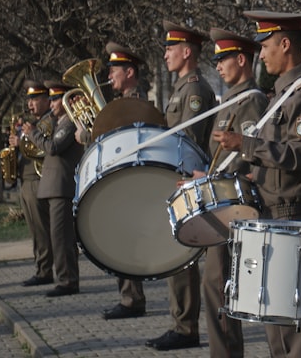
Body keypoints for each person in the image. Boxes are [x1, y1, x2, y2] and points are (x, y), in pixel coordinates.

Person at [213, 10, 301, 358]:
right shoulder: (281, 94)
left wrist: (245, 145)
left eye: (265, 46)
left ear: (285, 44)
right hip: (271, 212)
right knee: (275, 326)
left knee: (291, 328)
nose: (261, 54)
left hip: (290, 213)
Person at [146, 22, 216, 351]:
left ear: (187, 52)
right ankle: (180, 321)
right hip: (177, 178)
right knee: (175, 255)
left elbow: (188, 139)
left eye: (170, 49)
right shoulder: (180, 89)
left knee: (182, 255)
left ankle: (186, 327)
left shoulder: (195, 91)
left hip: (187, 178)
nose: (165, 54)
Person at [201, 28, 268, 358]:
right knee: (214, 288)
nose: (218, 66)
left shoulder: (251, 100)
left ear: (242, 60)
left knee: (218, 286)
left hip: (233, 205)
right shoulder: (232, 98)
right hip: (221, 198)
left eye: (222, 59)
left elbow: (251, 154)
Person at [98, 42, 151, 320]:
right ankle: (128, 296)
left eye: (114, 70)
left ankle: (132, 299)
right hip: (121, 179)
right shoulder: (122, 102)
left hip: (131, 180)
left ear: (130, 72)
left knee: (126, 240)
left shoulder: (136, 102)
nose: (110, 76)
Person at [25, 81, 85, 297]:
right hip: (52, 186)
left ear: (65, 100)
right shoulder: (58, 121)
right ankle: (64, 278)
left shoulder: (69, 122)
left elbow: (53, 147)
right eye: (49, 99)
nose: (50, 104)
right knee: (56, 236)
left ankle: (68, 280)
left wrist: (33, 134)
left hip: (62, 186)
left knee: (62, 237)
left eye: (54, 99)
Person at [10, 81, 54, 287]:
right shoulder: (33, 125)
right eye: (29, 100)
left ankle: (45, 271)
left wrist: (23, 142)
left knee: (41, 229)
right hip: (25, 179)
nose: (30, 104)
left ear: (47, 100)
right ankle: (41, 267)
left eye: (35, 99)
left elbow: (43, 150)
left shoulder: (48, 122)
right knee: (34, 230)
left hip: (38, 180)